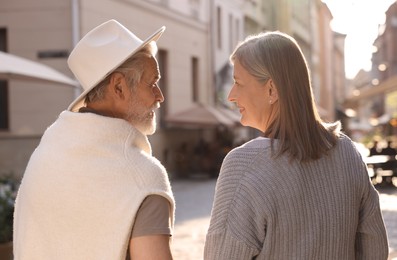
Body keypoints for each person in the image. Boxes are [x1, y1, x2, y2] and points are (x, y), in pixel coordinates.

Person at [204, 31, 389, 259]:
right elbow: (375, 250)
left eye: (239, 83)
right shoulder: (348, 154)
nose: (231, 95)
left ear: (271, 89)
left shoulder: (244, 165)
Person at [13, 20, 175, 260]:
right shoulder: (142, 177)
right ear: (119, 87)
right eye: (152, 83)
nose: (159, 96)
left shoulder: (43, 156)